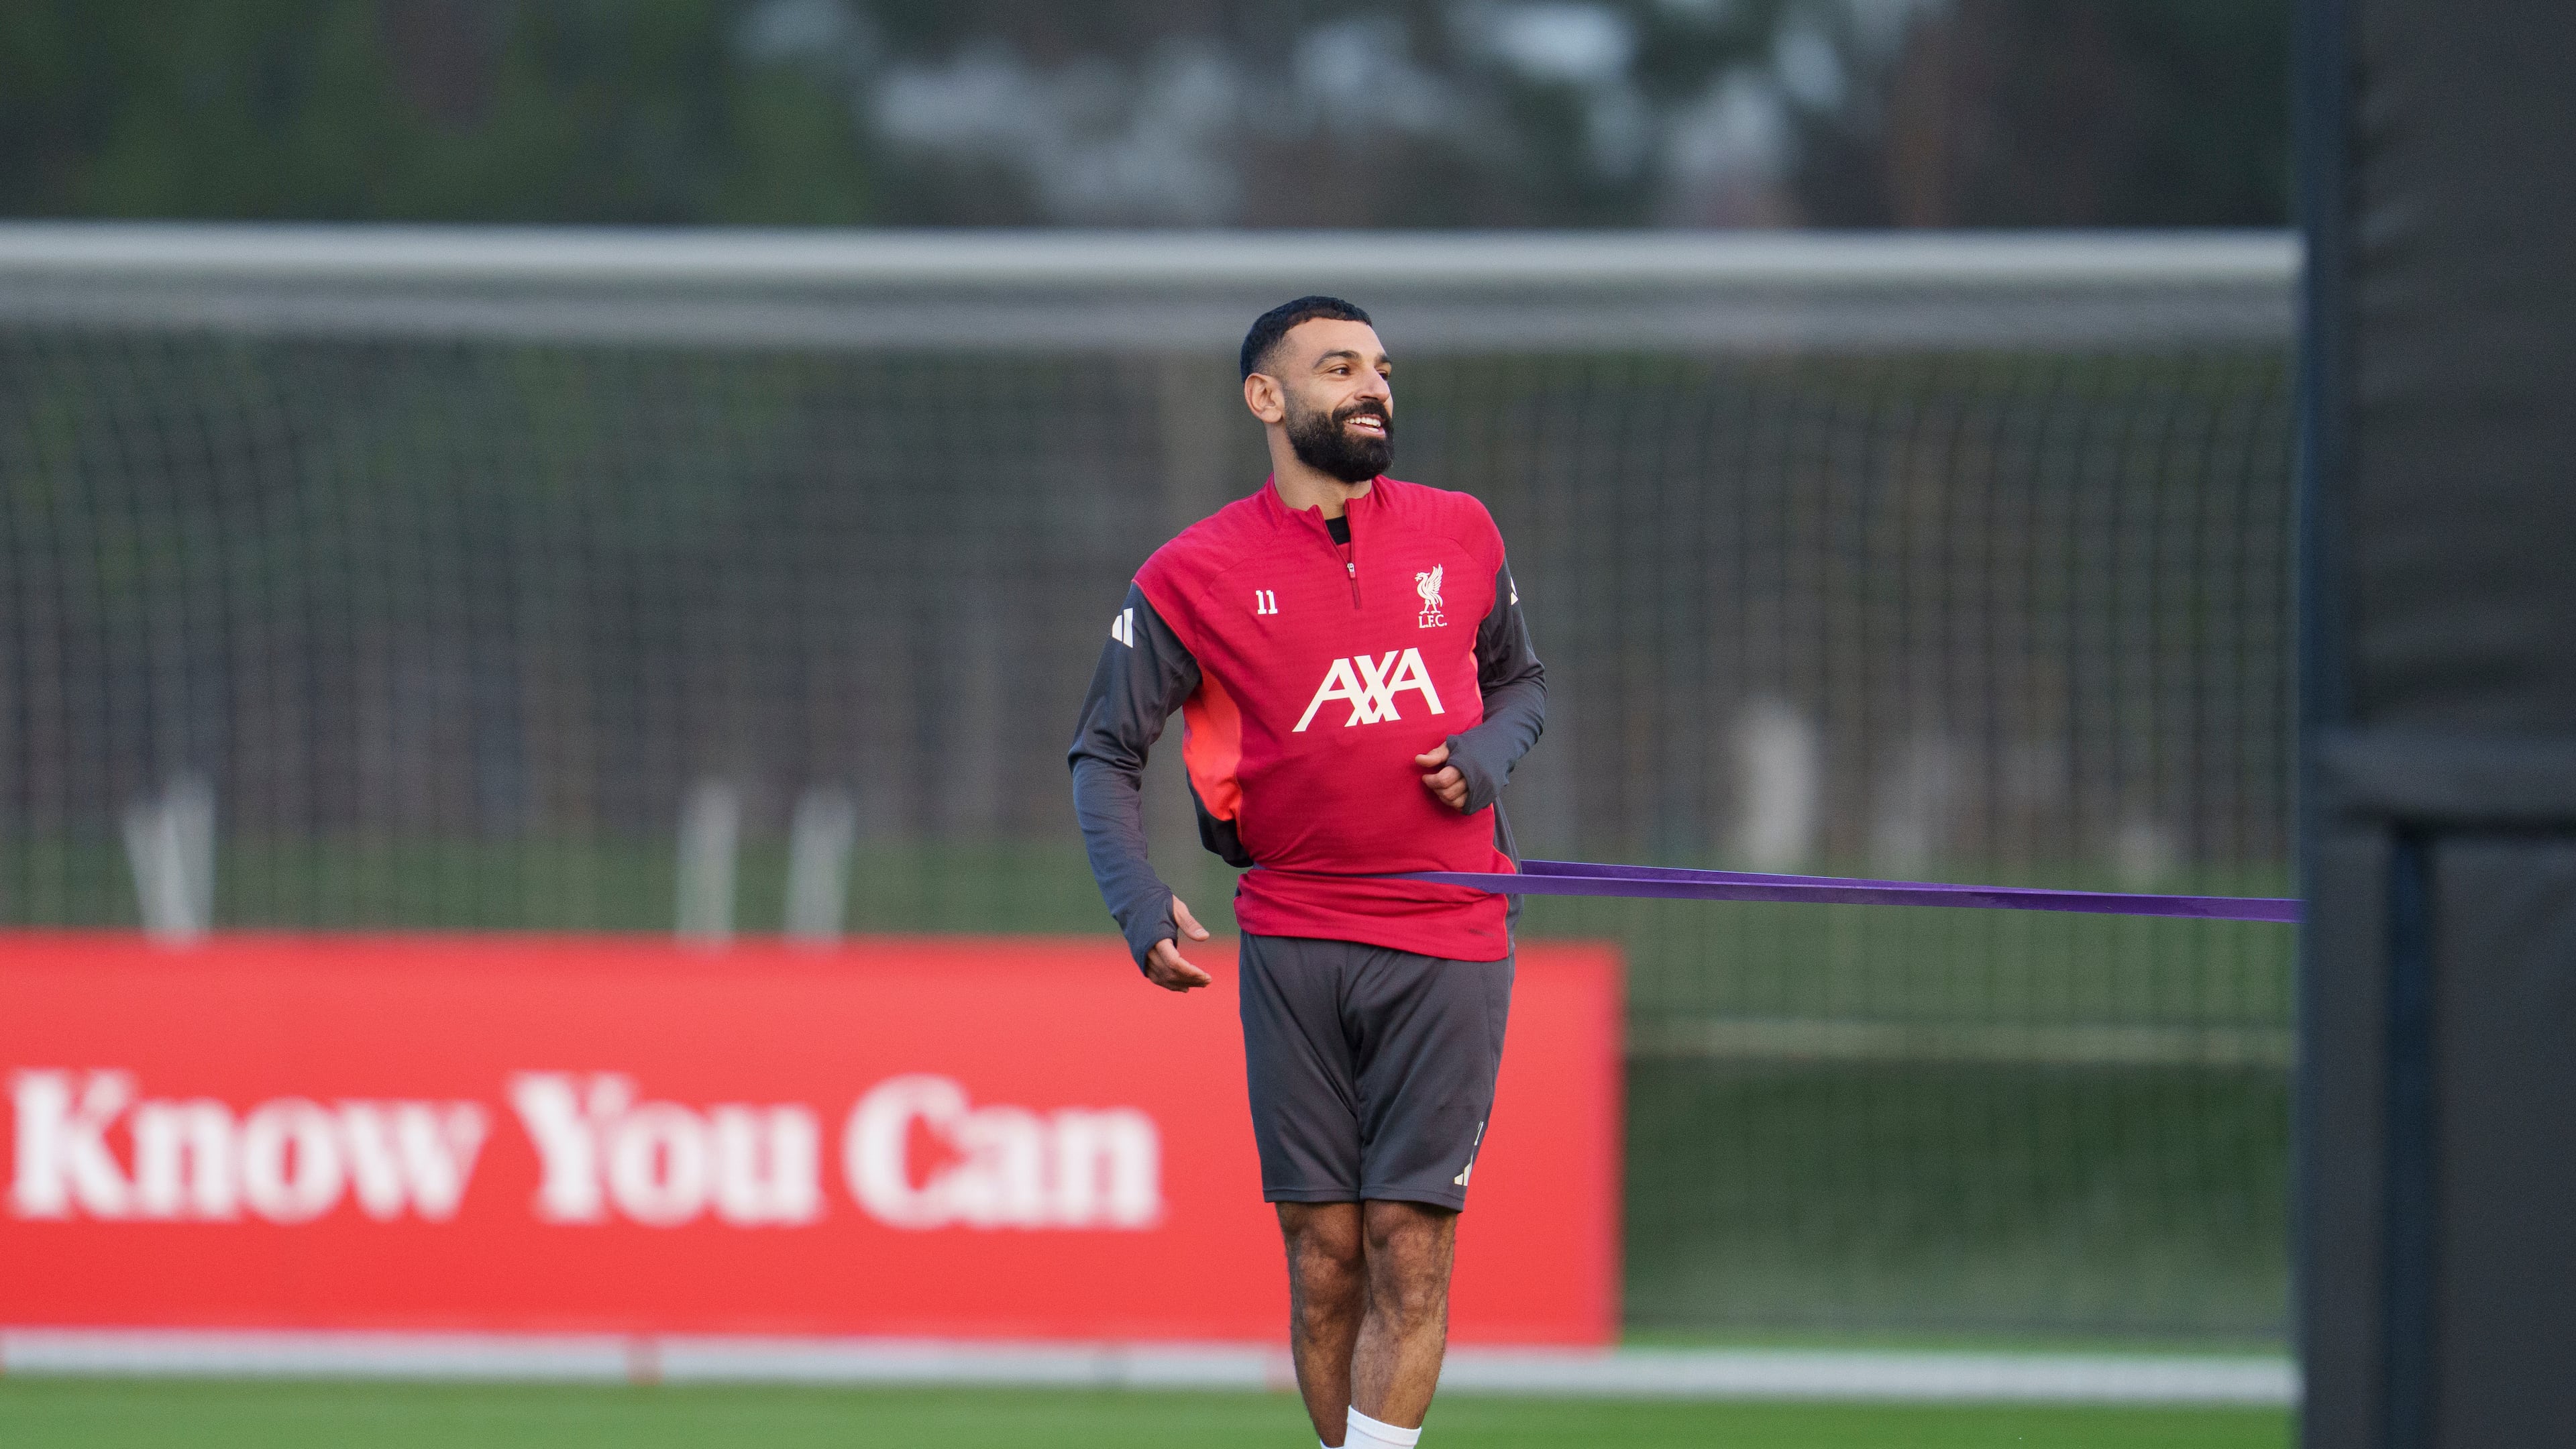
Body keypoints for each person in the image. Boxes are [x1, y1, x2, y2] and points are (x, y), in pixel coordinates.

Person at [1067, 296, 1546, 1449]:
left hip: (1450, 936)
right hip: (1292, 942)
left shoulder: (1462, 532)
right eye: (1340, 368)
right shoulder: (1191, 575)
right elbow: (1104, 751)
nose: (1374, 386)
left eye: (1381, 367)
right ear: (1266, 399)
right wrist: (1138, 902)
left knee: (1409, 1243)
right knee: (1324, 1255)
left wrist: (1483, 757)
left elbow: (1523, 687)